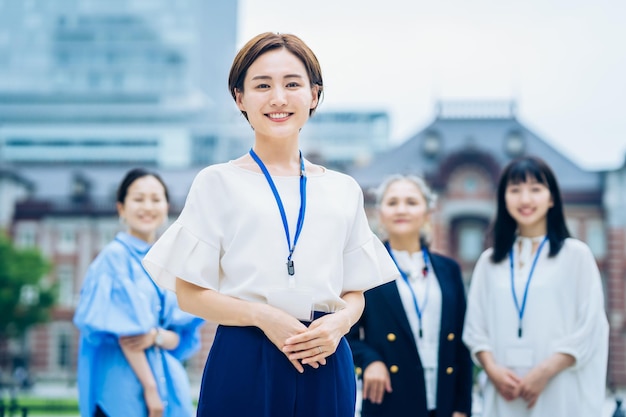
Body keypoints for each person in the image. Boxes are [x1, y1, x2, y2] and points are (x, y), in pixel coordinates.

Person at [141, 32, 399, 417]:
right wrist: (263, 317)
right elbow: (189, 294)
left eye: (292, 84)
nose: (278, 98)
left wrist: (340, 324)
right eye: (262, 85)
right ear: (240, 98)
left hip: (324, 354)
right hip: (245, 352)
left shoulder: (343, 189)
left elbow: (355, 291)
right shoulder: (217, 182)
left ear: (313, 95)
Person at [462, 156, 609, 416]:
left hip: (558, 385)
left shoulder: (576, 255)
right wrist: (492, 370)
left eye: (535, 189)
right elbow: (475, 327)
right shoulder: (490, 261)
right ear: (503, 199)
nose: (525, 199)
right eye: (515, 190)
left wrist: (545, 371)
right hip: (504, 389)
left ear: (552, 198)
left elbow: (592, 325)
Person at [73, 168, 204, 417]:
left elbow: (180, 337)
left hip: (168, 387)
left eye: (156, 199)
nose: (148, 206)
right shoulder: (114, 258)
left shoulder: (167, 261)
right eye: (138, 199)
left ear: (167, 207)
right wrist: (151, 389)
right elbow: (128, 336)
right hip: (124, 392)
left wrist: (154, 336)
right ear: (121, 208)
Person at [347, 175, 473, 417]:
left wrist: (461, 407)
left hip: (444, 402)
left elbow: (461, 343)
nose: (401, 209)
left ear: (428, 212)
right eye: (392, 202)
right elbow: (347, 335)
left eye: (411, 202)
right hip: (390, 399)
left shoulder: (449, 269)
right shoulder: (366, 267)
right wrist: (370, 360)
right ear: (380, 212)